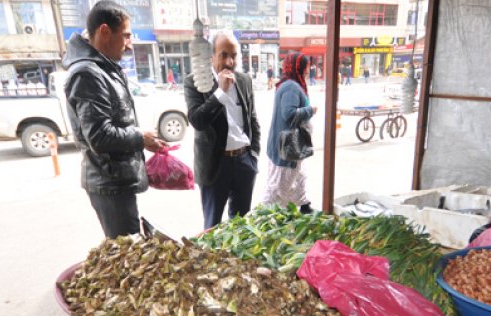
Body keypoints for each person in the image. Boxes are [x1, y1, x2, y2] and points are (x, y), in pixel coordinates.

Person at [63, 0, 166, 238]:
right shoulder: (88, 74)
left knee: (132, 246)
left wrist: (143, 141)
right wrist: (140, 137)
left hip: (116, 180)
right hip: (108, 183)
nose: (130, 45)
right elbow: (99, 135)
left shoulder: (104, 68)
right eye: (126, 36)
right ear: (105, 32)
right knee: (128, 253)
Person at [184, 32, 260, 229]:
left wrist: (253, 156)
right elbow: (197, 120)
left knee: (241, 226)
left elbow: (252, 120)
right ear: (212, 56)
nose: (230, 61)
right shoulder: (196, 82)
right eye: (224, 55)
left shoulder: (244, 80)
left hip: (244, 162)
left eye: (234, 55)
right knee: (213, 227)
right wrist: (220, 92)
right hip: (215, 165)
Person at [263, 52, 316, 214]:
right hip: (287, 147)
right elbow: (289, 114)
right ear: (298, 67)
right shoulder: (291, 87)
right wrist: (310, 110)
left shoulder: (290, 84)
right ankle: (267, 217)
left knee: (298, 176)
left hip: (291, 145)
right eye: (306, 66)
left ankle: (304, 205)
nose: (309, 70)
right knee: (278, 186)